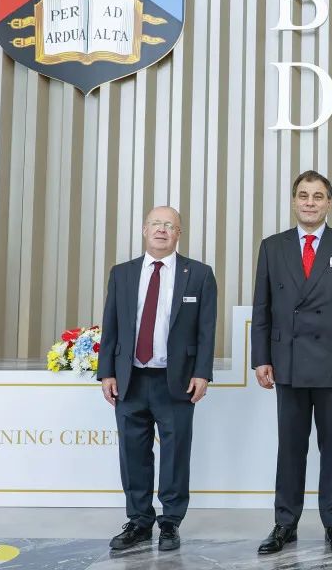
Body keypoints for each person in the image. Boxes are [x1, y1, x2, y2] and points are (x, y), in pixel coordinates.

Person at [251, 170, 332, 555]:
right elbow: (262, 309)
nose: (310, 202)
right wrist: (261, 358)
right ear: (294, 201)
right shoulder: (272, 246)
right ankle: (284, 523)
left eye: (317, 196)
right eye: (303, 195)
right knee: (290, 448)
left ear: (328, 203)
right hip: (287, 361)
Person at [97, 206, 217, 552]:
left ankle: (170, 523)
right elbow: (112, 324)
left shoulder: (199, 274)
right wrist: (107, 371)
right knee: (133, 453)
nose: (162, 230)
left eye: (169, 225)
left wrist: (202, 372)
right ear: (144, 230)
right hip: (130, 378)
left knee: (175, 453)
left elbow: (206, 329)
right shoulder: (122, 273)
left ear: (179, 233)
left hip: (175, 380)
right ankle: (138, 521)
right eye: (156, 224)